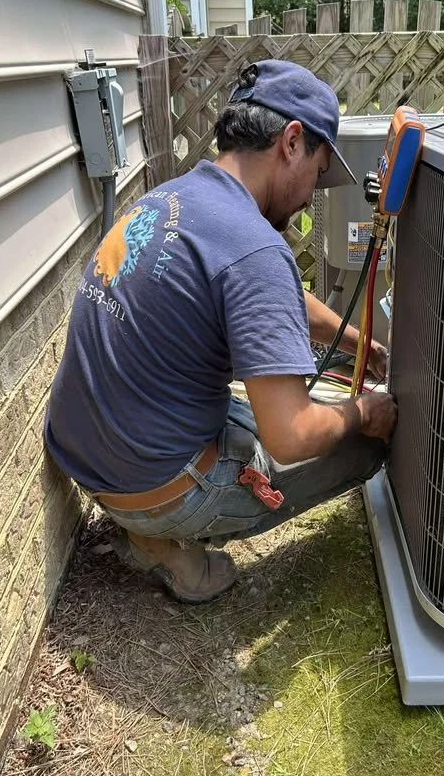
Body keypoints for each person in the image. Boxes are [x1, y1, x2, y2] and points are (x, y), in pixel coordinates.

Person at [44, 59, 397, 603]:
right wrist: (365, 414)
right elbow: (292, 436)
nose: (314, 194)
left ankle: (148, 521)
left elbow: (275, 294)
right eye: (321, 172)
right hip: (147, 483)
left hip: (82, 451)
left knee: (263, 410)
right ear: (292, 142)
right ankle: (167, 542)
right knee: (359, 446)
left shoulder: (174, 198)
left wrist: (355, 343)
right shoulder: (253, 247)